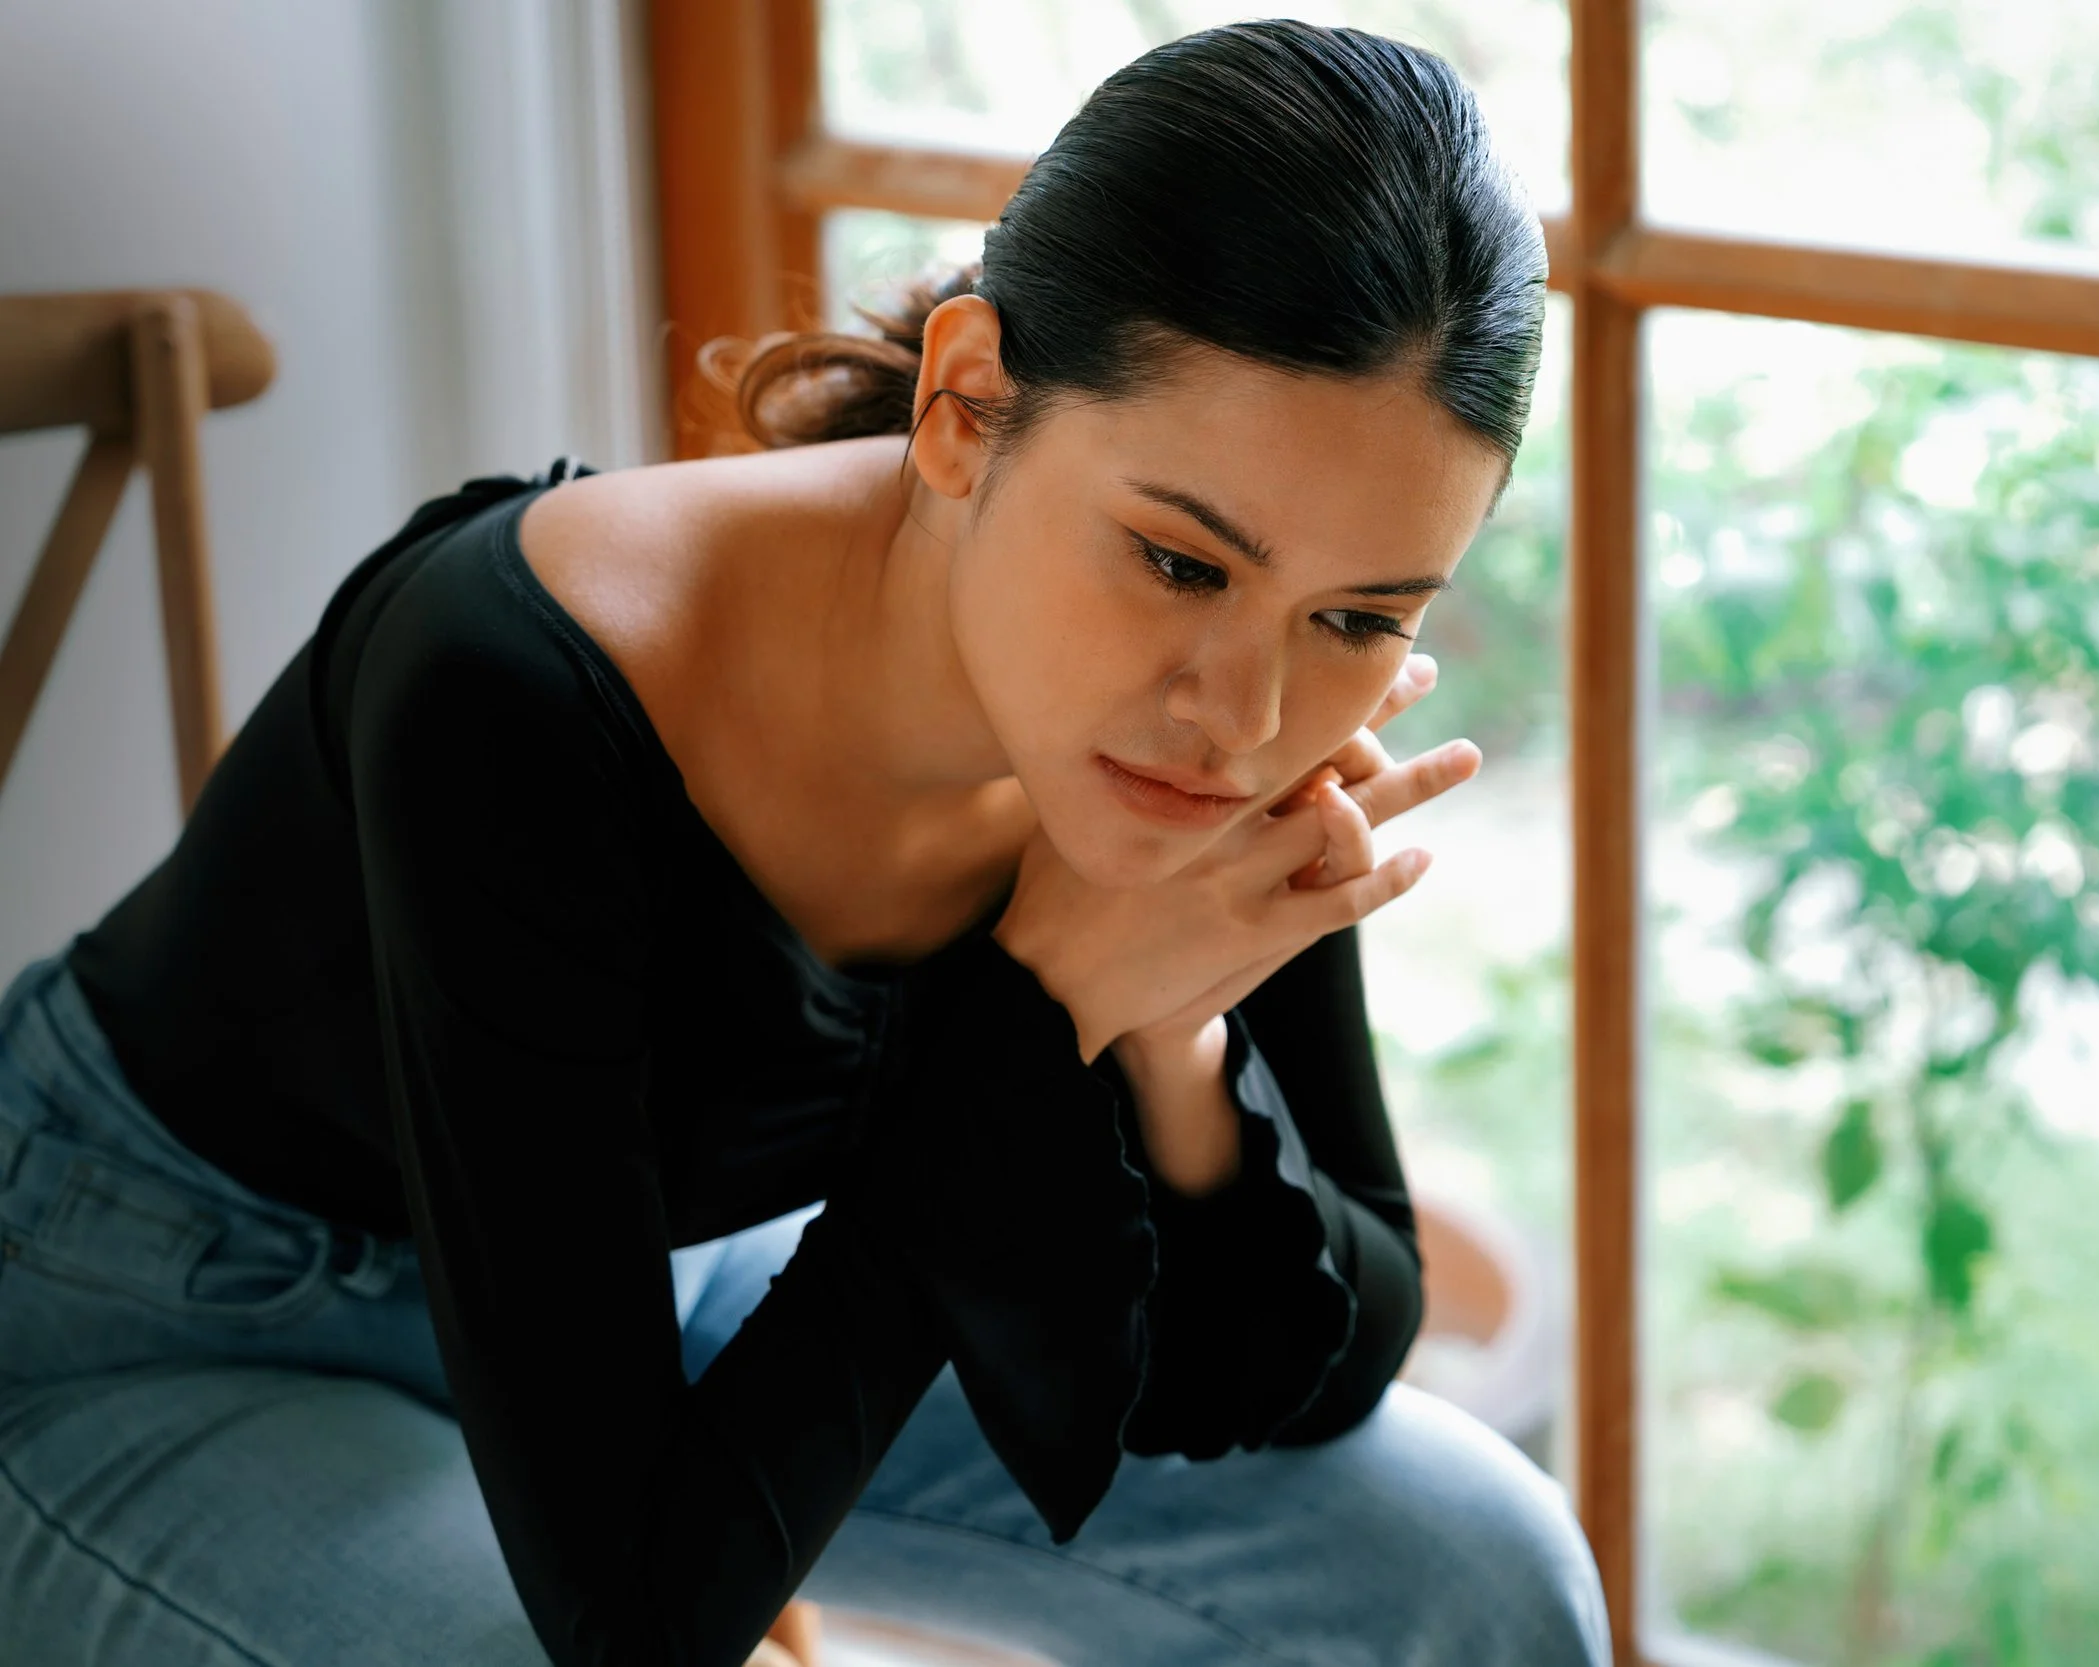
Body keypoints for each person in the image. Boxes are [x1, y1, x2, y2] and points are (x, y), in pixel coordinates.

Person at [0, 20, 1609, 1667]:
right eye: (1181, 565)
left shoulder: (1206, 709)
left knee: (1472, 1563)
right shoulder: (509, 688)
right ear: (967, 407)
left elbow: (1319, 1367)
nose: (1247, 716)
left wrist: (1171, 1033)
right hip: (153, 1316)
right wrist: (1038, 1002)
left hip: (659, 1281)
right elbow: (637, 1623)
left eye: (1360, 615)